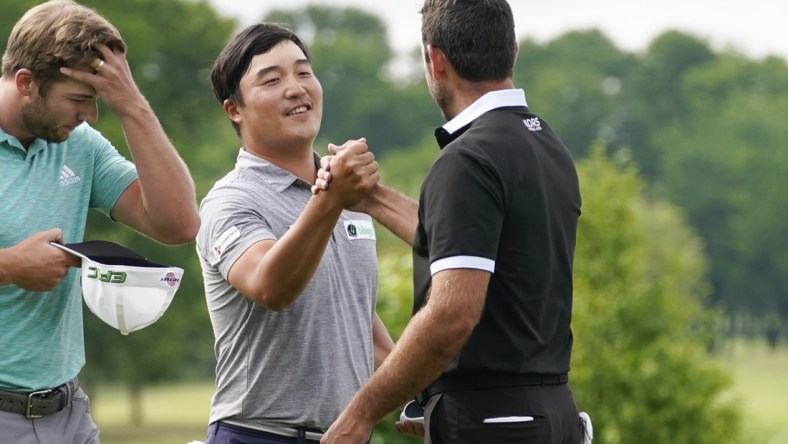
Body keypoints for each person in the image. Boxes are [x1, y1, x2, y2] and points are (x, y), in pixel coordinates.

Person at [319, 0, 583, 442]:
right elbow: (466, 242)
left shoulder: (467, 160)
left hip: (492, 420)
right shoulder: (546, 145)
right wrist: (373, 198)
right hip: (551, 411)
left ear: (435, 60)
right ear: (512, 50)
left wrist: (360, 414)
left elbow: (452, 315)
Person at [0, 0, 199, 442]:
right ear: (27, 83)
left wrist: (133, 108)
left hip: (69, 413)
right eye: (79, 100)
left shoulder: (80, 144)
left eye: (99, 102)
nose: (90, 116)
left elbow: (178, 225)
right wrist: (9, 267)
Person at [196, 23, 401, 444]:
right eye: (272, 79)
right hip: (257, 434)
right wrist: (330, 199)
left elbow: (356, 320)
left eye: (304, 73)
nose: (295, 88)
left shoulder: (347, 197)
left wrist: (417, 394)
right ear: (234, 108)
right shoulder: (230, 201)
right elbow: (271, 285)